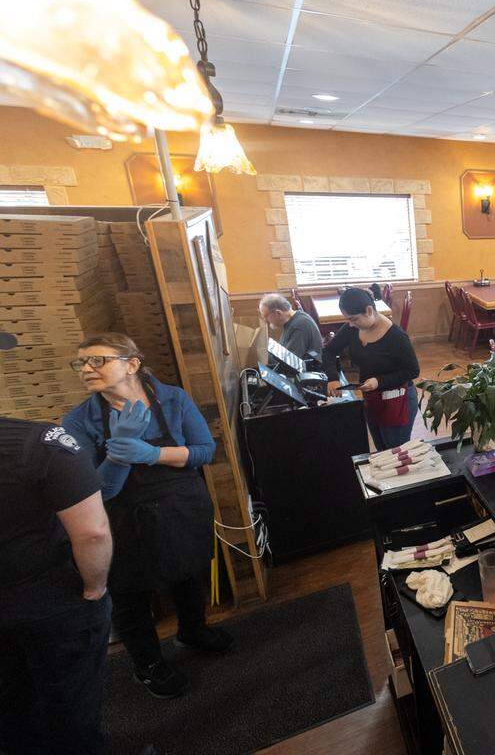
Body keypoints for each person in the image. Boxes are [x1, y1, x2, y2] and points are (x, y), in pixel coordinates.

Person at [63, 333, 227, 700]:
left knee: (188, 573)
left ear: (132, 364)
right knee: (131, 595)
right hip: (125, 519)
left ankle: (193, 631)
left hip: (181, 506)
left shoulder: (171, 399)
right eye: (81, 363)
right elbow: (99, 492)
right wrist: (119, 456)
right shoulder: (80, 422)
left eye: (98, 360)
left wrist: (151, 454)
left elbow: (204, 451)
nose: (87, 369)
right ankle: (148, 664)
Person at [1, 415, 114, 754]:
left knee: (12, 715)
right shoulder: (40, 441)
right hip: (51, 603)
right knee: (71, 711)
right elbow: (93, 533)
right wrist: (95, 589)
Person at [322, 286, 420, 450]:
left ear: (369, 311)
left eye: (353, 319)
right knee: (381, 448)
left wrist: (379, 381)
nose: (350, 324)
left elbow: (412, 371)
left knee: (396, 452)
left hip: (398, 400)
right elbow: (329, 351)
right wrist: (332, 377)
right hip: (372, 398)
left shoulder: (396, 336)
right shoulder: (352, 329)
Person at [258, 292, 322, 360]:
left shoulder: (299, 325)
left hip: (307, 369)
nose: (265, 320)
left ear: (278, 313)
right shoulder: (293, 320)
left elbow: (291, 360)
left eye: (266, 316)